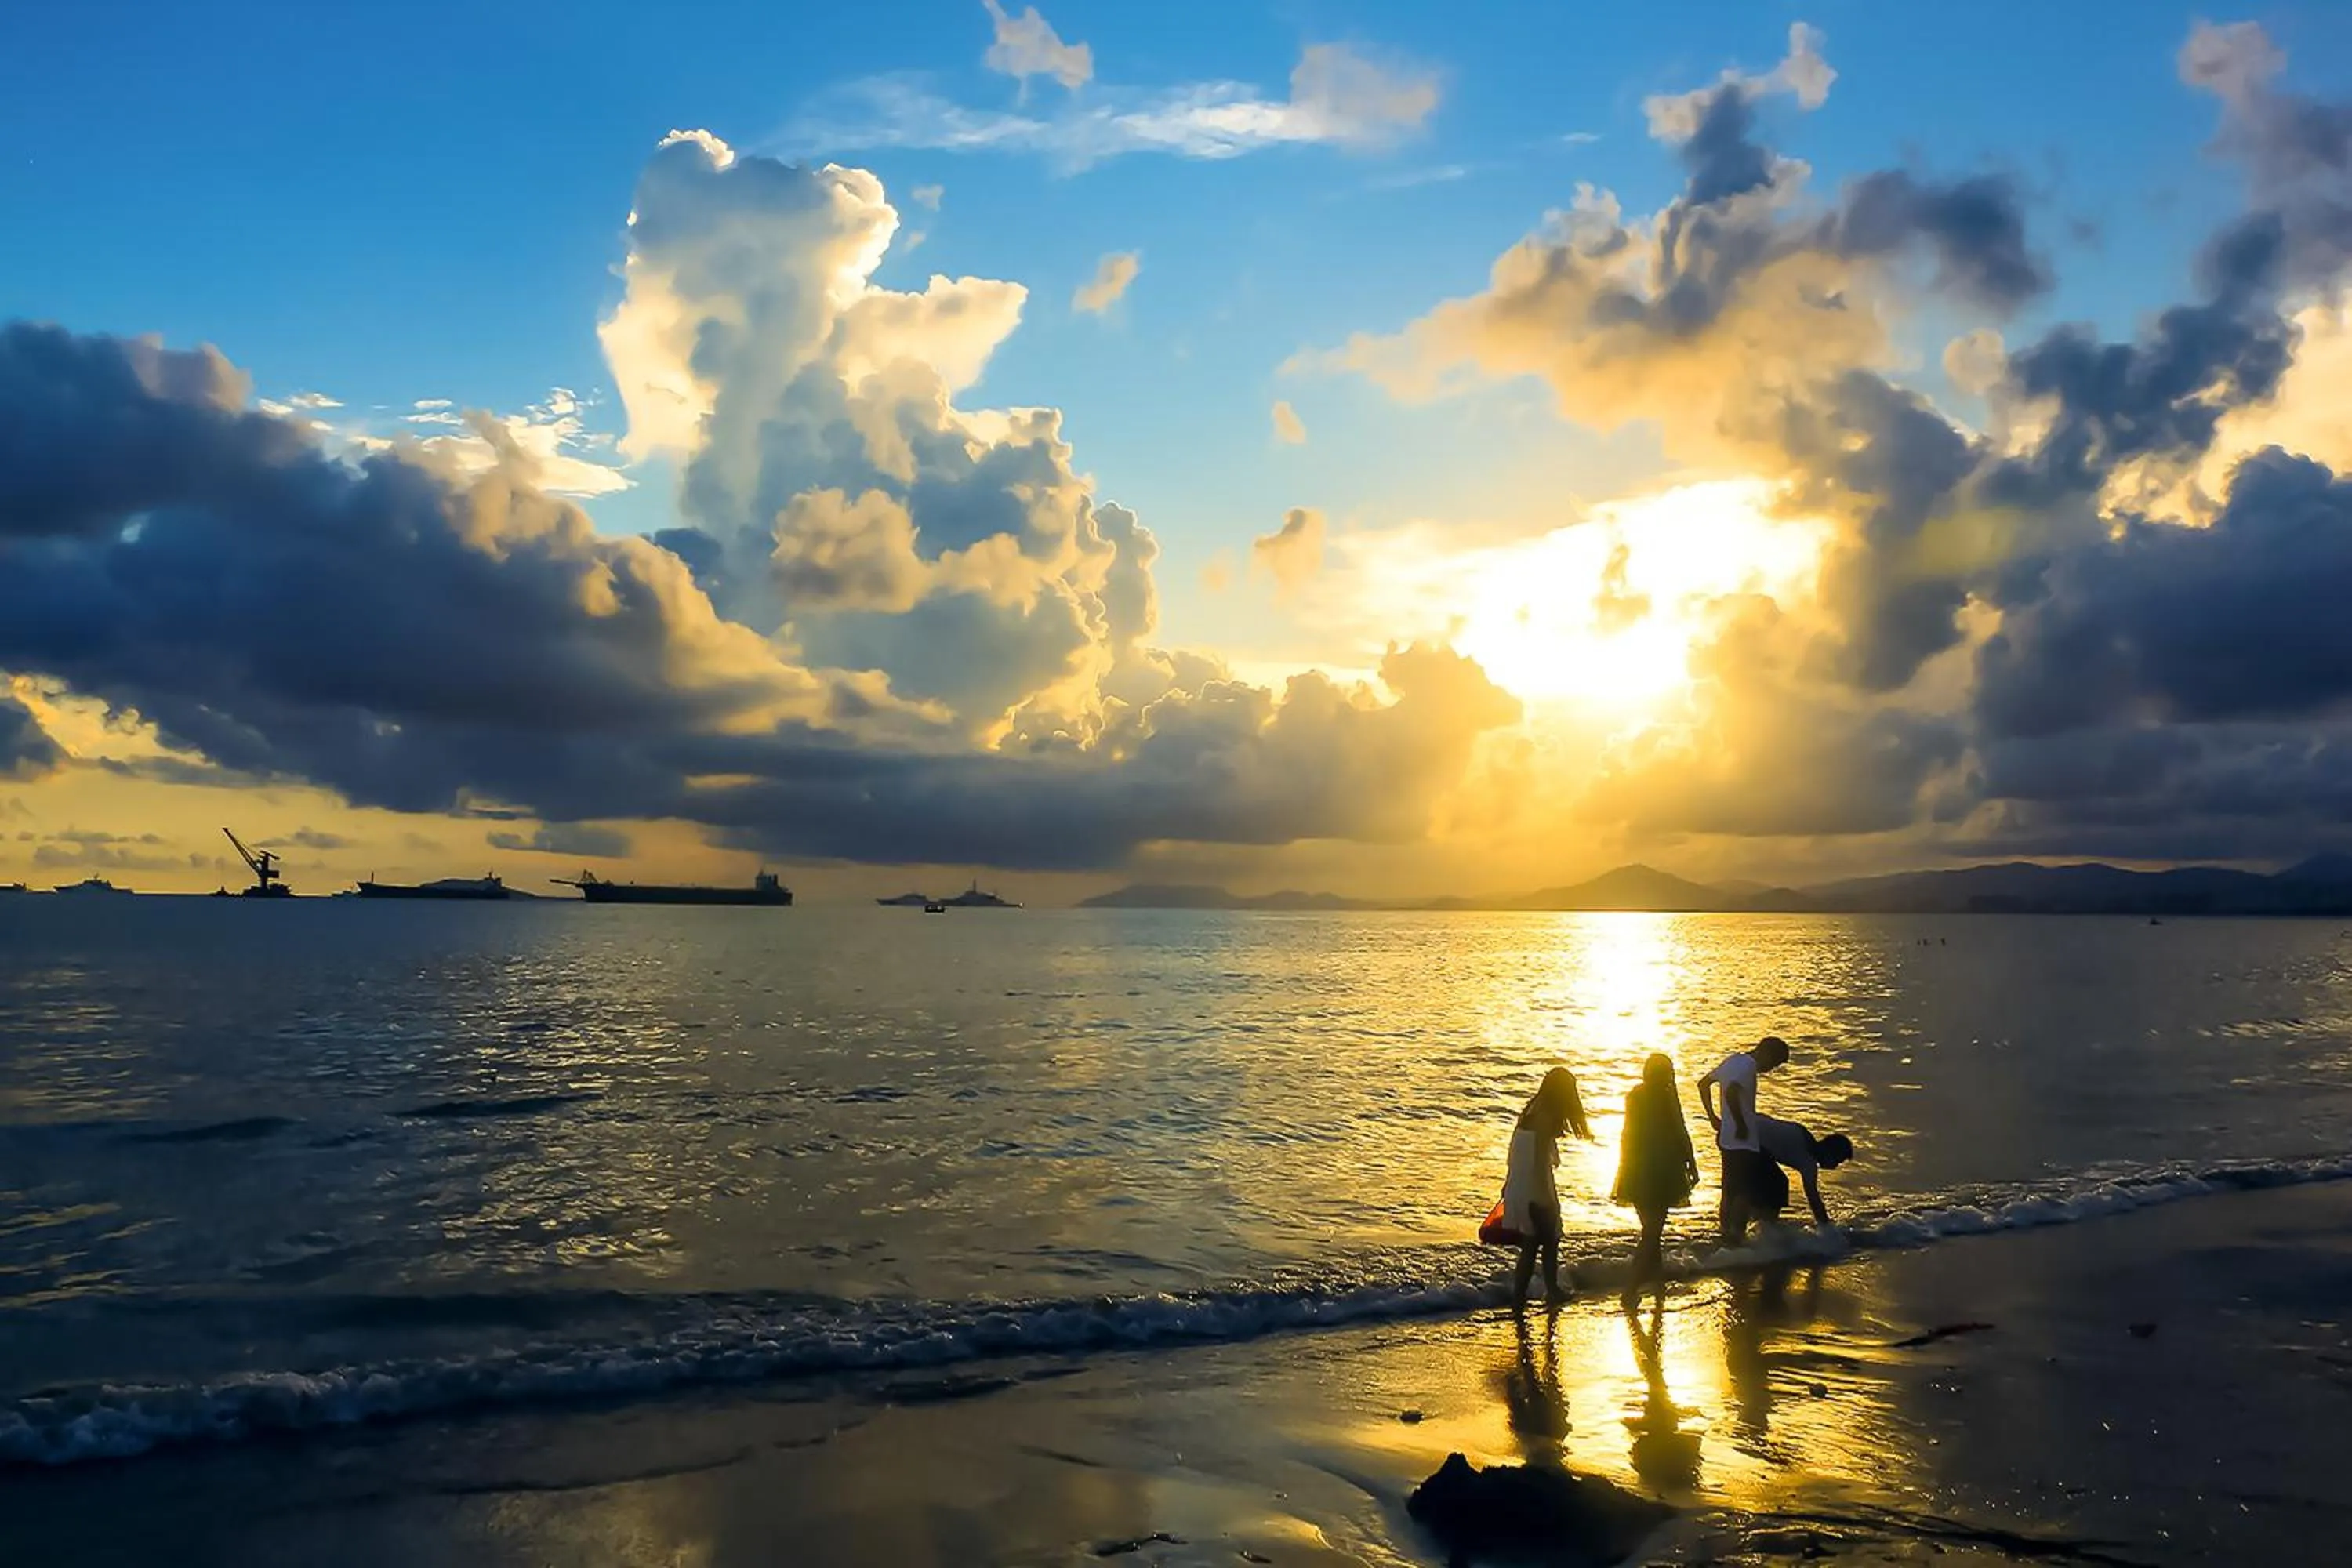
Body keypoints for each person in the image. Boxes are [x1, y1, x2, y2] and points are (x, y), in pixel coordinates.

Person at [1488, 1068, 1593, 1308]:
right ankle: (1548, 1291)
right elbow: (1537, 1159)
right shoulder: (1546, 1116)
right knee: (1548, 1240)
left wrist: (1508, 1183)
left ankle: (1522, 1296)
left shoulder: (1531, 1109)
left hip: (1520, 1183)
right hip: (1535, 1185)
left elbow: (1515, 1152)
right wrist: (1545, 1197)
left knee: (1532, 1243)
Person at [1611, 1052, 1698, 1306]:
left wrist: (1624, 1167)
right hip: (1662, 1171)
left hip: (1635, 1170)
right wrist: (1691, 1162)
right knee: (1652, 1234)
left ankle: (1659, 1286)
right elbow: (1680, 1129)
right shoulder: (1667, 1096)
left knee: (1652, 1232)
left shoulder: (1634, 1096)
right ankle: (1630, 1290)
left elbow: (1627, 1134)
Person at [1697, 1035, 1789, 1247]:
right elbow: (1731, 1093)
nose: (1771, 1070)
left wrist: (1713, 1118)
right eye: (1774, 1064)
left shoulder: (1733, 1061)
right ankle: (1737, 1237)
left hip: (1727, 1138)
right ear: (1767, 1053)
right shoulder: (1748, 1067)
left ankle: (1726, 1233)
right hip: (1742, 1139)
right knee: (1744, 1190)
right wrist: (1740, 1124)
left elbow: (1703, 1084)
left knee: (1729, 1188)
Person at [1754, 1114, 1854, 1228]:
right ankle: (1766, 1226)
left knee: (1777, 1184)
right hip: (1750, 1142)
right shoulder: (1808, 1163)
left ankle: (1763, 1222)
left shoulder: (1804, 1134)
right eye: (1837, 1161)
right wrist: (1828, 1227)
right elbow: (1813, 1199)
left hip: (1748, 1126)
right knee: (1779, 1185)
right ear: (1829, 1153)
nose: (1835, 1166)